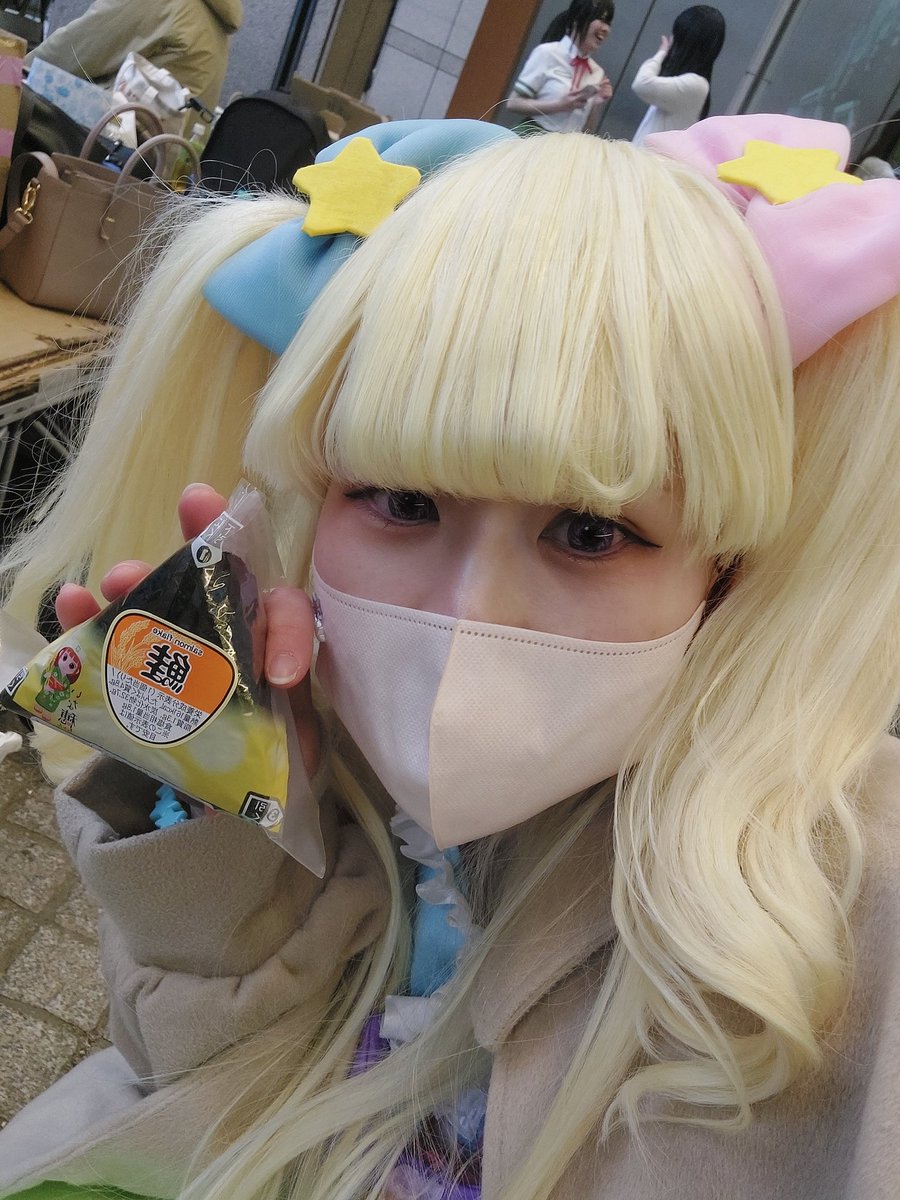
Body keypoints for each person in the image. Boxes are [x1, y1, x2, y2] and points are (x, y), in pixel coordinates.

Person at [0, 112, 899, 1200]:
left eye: (590, 531)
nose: (467, 614)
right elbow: (179, 1067)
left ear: (725, 568)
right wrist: (229, 804)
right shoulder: (326, 727)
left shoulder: (845, 889)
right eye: (401, 501)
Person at [24, 0, 243, 111]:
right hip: (157, 159)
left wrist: (14, 67)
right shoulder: (213, 14)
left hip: (106, 145)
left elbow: (75, 50)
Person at [506, 1, 614, 134]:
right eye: (601, 19)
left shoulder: (597, 72)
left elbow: (587, 132)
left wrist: (596, 104)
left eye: (608, 23)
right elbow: (513, 103)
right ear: (577, 19)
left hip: (568, 144)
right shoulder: (548, 53)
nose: (606, 28)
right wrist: (560, 105)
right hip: (533, 136)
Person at [631, 5, 725, 145]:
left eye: (677, 35)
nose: (672, 40)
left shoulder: (696, 85)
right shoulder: (688, 81)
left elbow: (641, 84)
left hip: (649, 158)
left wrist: (662, 52)